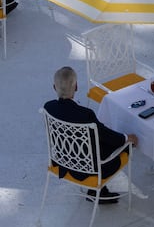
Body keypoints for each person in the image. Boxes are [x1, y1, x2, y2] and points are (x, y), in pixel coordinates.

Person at [44, 66, 138, 204]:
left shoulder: (48, 108)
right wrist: (127, 138)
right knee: (127, 144)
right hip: (92, 170)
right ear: (76, 87)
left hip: (63, 162)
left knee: (102, 137)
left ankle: (98, 192)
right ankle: (97, 191)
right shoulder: (85, 114)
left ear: (54, 87)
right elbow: (107, 136)